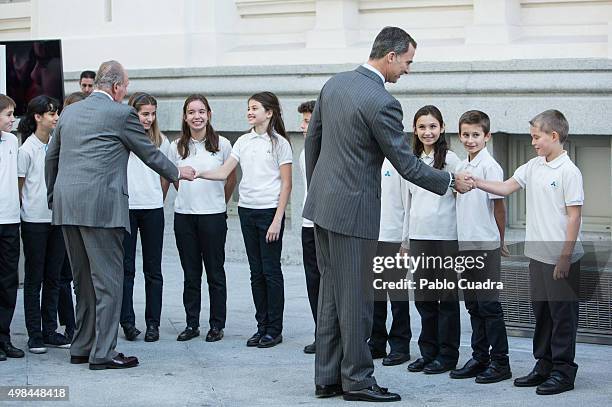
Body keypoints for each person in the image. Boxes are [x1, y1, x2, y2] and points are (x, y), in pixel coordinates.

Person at [303, 27, 472, 402]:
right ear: (391, 56)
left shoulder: (335, 84)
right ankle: (359, 381)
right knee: (358, 302)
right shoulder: (382, 101)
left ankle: (328, 378)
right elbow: (407, 165)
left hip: (322, 208)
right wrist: (449, 181)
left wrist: (319, 191)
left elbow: (312, 142)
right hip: (354, 213)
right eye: (408, 61)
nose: (408, 70)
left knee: (330, 295)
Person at [45, 60, 196, 370]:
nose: (126, 92)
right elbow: (149, 152)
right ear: (115, 87)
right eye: (125, 87)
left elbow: (52, 157)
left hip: (67, 205)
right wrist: (178, 172)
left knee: (82, 281)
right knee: (109, 282)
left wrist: (54, 197)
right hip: (102, 208)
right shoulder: (121, 113)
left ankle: (81, 347)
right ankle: (103, 353)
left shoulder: (69, 111)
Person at [473, 110, 583, 395]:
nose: (533, 142)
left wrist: (565, 257)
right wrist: (475, 182)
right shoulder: (533, 166)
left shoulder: (569, 172)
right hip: (538, 256)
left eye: (536, 137)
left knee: (562, 316)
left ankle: (563, 371)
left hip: (561, 256)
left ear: (554, 136)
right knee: (543, 313)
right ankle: (543, 366)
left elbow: (574, 217)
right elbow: (505, 187)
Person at [198, 91, 292, 349]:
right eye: (248, 108)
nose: (250, 112)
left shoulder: (280, 143)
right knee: (255, 272)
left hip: (269, 212)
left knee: (271, 271)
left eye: (255, 108)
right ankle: (261, 326)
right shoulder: (242, 141)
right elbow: (224, 172)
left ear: (269, 112)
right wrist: (197, 173)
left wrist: (277, 220)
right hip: (247, 211)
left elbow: (286, 185)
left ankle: (274, 329)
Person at [168, 94, 236, 343]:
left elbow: (230, 179)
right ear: (185, 117)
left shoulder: (223, 145)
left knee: (215, 272)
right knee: (190, 273)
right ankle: (191, 323)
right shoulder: (176, 146)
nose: (197, 116)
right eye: (191, 112)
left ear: (209, 114)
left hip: (213, 217)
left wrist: (218, 202)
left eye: (201, 111)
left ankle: (217, 325)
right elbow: (175, 179)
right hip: (184, 216)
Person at [450, 110, 511, 383]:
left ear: (487, 136)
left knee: (489, 306)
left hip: (485, 245)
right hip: (465, 246)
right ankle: (479, 357)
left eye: (476, 135)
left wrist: (500, 239)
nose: (470, 139)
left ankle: (500, 363)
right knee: (473, 305)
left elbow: (499, 204)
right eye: (465, 135)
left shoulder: (490, 167)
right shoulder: (462, 167)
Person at [405, 105, 462, 376]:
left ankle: (447, 355)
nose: (427, 132)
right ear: (415, 130)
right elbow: (408, 203)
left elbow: (463, 201)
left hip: (445, 238)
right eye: (422, 127)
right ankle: (428, 352)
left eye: (432, 126)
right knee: (424, 300)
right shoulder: (410, 160)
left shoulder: (451, 160)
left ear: (441, 129)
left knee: (446, 300)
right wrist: (406, 240)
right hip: (419, 237)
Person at [17, 95, 71, 354]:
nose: (56, 117)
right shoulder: (26, 149)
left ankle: (50, 330)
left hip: (56, 219)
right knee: (34, 278)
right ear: (38, 117)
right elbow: (20, 188)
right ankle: (34, 334)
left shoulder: (56, 145)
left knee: (54, 276)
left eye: (57, 112)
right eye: (51, 113)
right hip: (34, 222)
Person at [120, 92, 172, 343]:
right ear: (133, 114)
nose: (149, 119)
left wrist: (157, 198)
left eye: (152, 114)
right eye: (144, 114)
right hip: (127, 208)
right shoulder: (123, 138)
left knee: (153, 269)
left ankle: (153, 323)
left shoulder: (162, 141)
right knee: (125, 268)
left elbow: (166, 175)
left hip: (152, 208)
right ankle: (127, 322)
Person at [368, 157, 411, 367]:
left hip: (393, 238)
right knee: (374, 296)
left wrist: (406, 240)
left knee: (397, 296)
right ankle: (376, 342)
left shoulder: (397, 161)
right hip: (369, 237)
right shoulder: (367, 158)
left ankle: (400, 346)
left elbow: (408, 202)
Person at [55, 92, 87, 342]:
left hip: (84, 214)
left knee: (82, 276)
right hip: (63, 212)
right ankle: (69, 323)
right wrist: (51, 199)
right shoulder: (63, 135)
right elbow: (51, 163)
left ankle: (81, 326)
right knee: (65, 274)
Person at [0, 94, 25, 361]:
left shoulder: (12, 140)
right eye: (8, 114)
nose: (13, 119)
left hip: (10, 220)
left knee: (8, 281)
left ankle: (4, 336)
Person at [297, 100, 319, 355]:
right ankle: (319, 332)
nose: (302, 126)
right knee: (313, 281)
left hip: (324, 225)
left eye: (307, 121)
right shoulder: (304, 152)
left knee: (328, 284)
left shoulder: (327, 150)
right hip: (307, 223)